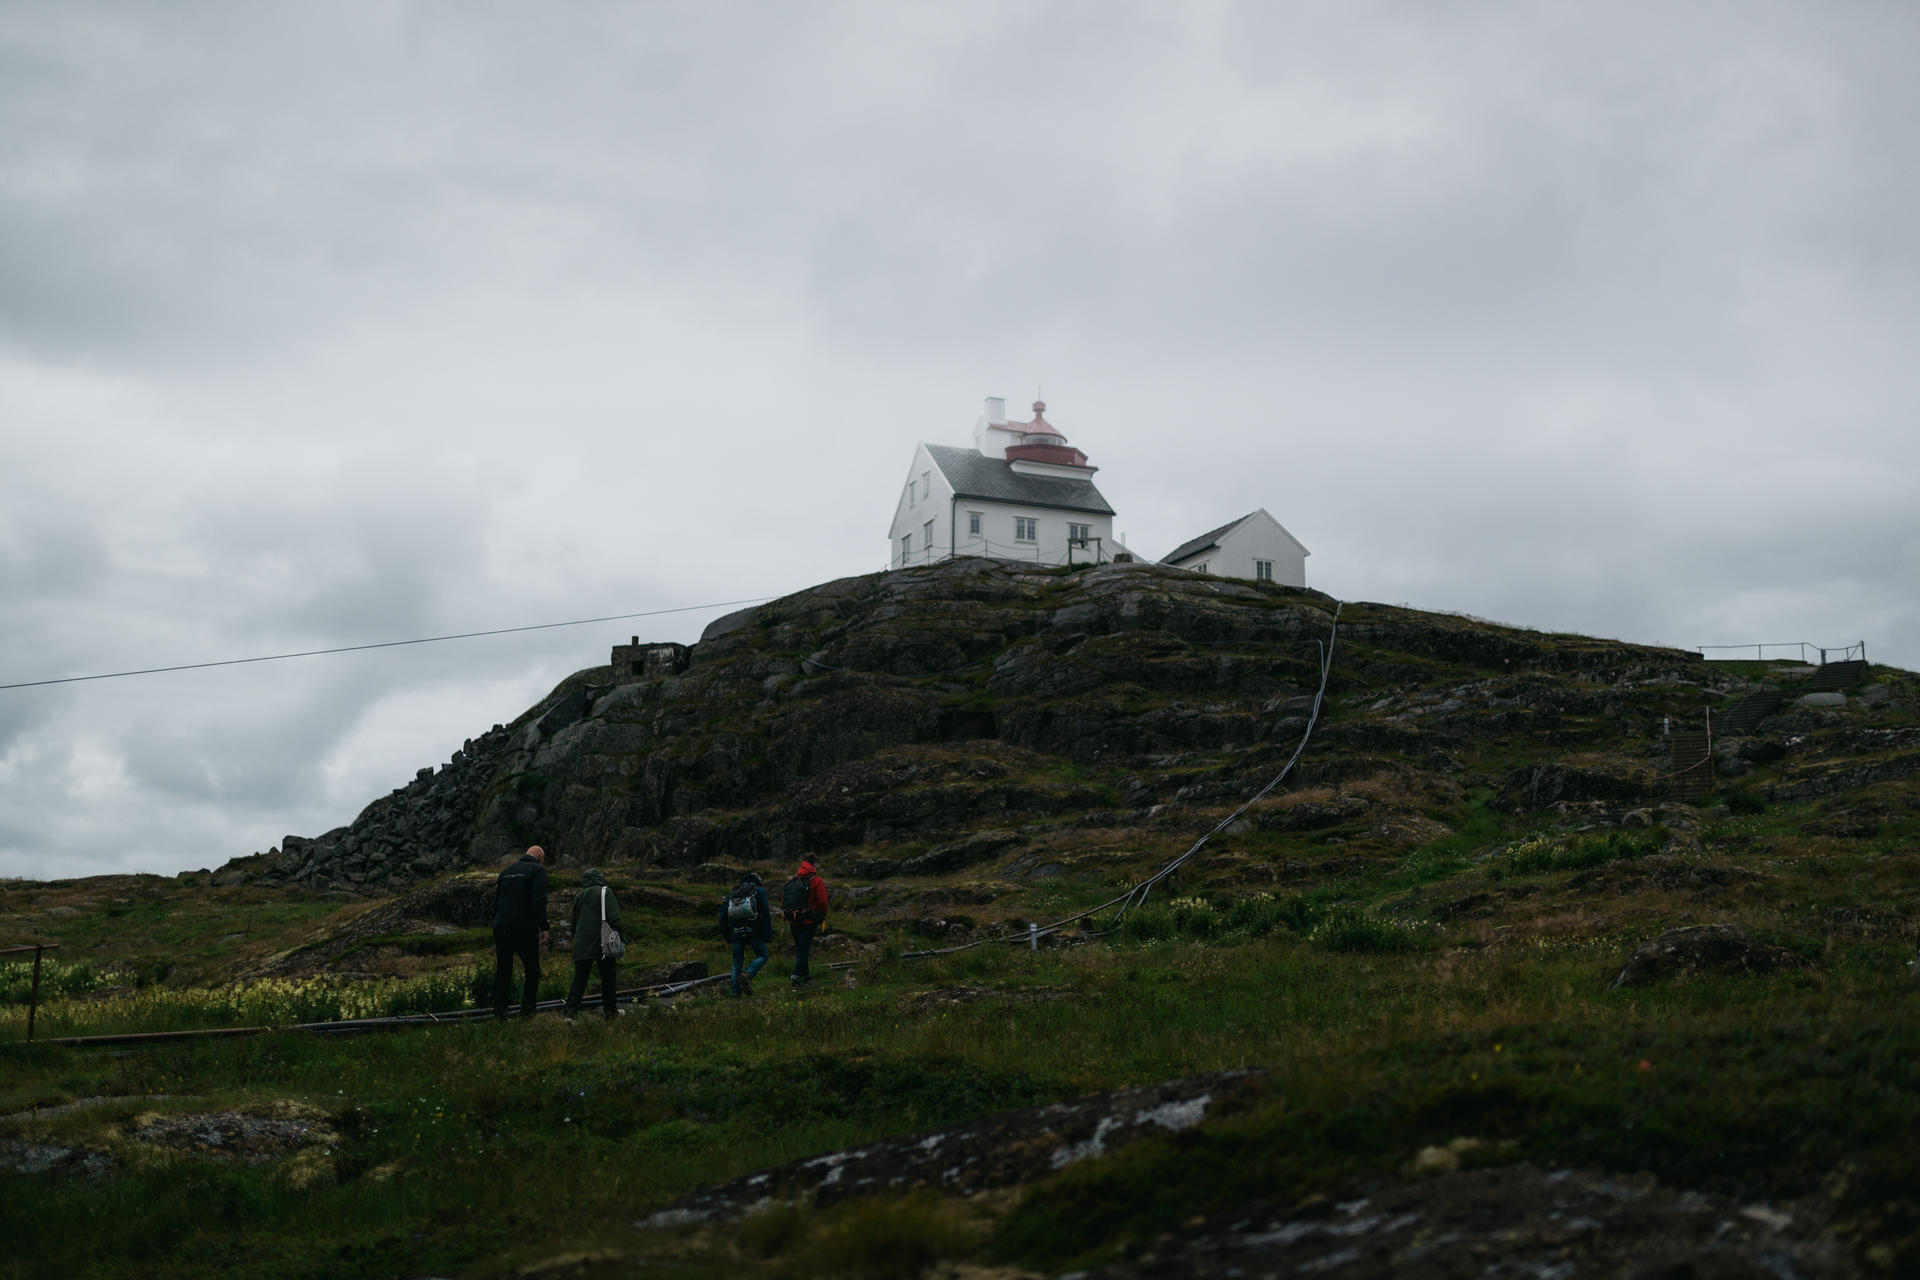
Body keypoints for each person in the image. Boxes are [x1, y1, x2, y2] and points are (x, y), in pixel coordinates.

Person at [491, 845, 549, 1019]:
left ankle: (500, 1013)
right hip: (524, 928)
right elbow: (538, 899)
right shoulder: (537, 870)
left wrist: (496, 922)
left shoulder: (506, 871)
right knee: (532, 969)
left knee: (503, 970)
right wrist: (544, 927)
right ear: (540, 859)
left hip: (501, 927)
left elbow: (496, 902)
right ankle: (527, 1011)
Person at [565, 867, 624, 1019]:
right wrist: (621, 936)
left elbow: (573, 923)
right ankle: (610, 1012)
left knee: (580, 978)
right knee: (608, 977)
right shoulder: (606, 892)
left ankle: (570, 1011)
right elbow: (614, 918)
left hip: (581, 943)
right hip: (602, 942)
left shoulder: (579, 896)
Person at [717, 870, 772, 996]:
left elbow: (723, 915)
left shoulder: (734, 891)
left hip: (736, 931)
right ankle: (748, 974)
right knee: (763, 955)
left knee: (737, 962)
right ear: (758, 880)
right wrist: (767, 935)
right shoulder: (759, 891)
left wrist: (727, 936)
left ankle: (735, 992)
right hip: (754, 930)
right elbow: (765, 912)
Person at [781, 859, 829, 989]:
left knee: (800, 950)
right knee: (804, 950)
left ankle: (806, 978)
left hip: (793, 920)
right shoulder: (816, 880)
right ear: (813, 866)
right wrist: (819, 915)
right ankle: (795, 979)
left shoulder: (792, 880)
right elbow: (823, 901)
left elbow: (784, 900)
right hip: (809, 921)